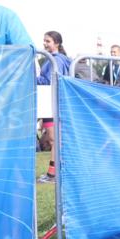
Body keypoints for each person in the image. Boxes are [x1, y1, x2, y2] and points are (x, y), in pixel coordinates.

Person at [36, 31, 72, 183]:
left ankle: (53, 174)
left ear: (56, 43)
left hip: (53, 103)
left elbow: (50, 80)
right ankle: (53, 173)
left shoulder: (56, 60)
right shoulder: (57, 59)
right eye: (44, 41)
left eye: (48, 41)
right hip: (50, 102)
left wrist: (32, 78)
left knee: (53, 139)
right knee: (53, 140)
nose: (44, 43)